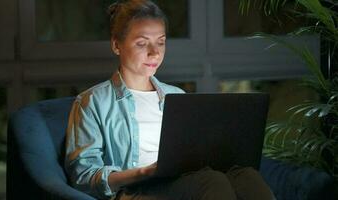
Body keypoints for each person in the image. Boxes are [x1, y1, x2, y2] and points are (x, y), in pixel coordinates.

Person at [64, 0, 275, 199]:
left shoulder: (176, 97)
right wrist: (145, 172)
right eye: (141, 43)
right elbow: (83, 177)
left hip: (184, 181)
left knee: (246, 176)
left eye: (161, 42)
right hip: (136, 191)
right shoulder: (91, 102)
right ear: (117, 45)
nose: (154, 53)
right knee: (211, 182)